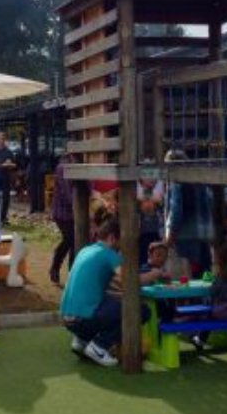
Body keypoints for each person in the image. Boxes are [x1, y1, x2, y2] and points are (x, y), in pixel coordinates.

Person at [59, 216, 160, 368]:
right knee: (142, 311)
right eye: (122, 241)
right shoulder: (109, 254)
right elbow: (130, 281)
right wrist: (155, 273)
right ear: (112, 237)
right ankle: (99, 346)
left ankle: (81, 340)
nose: (122, 247)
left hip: (67, 318)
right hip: (83, 320)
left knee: (112, 305)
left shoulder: (86, 250)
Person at [164, 150, 214, 279]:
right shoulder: (199, 180)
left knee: (188, 276)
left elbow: (176, 211)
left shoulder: (177, 183)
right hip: (204, 234)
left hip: (186, 236)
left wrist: (170, 237)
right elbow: (210, 201)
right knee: (205, 274)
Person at [49, 151, 74, 286]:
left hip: (76, 212)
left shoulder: (82, 165)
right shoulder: (62, 167)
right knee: (70, 240)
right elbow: (68, 194)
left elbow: (89, 186)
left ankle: (71, 274)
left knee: (73, 242)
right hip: (63, 213)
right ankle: (55, 268)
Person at [137, 174, 165, 266]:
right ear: (141, 179)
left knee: (157, 263)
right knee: (143, 262)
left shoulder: (160, 196)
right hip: (142, 236)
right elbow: (147, 206)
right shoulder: (137, 197)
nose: (152, 178)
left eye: (154, 176)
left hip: (157, 235)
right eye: (148, 176)